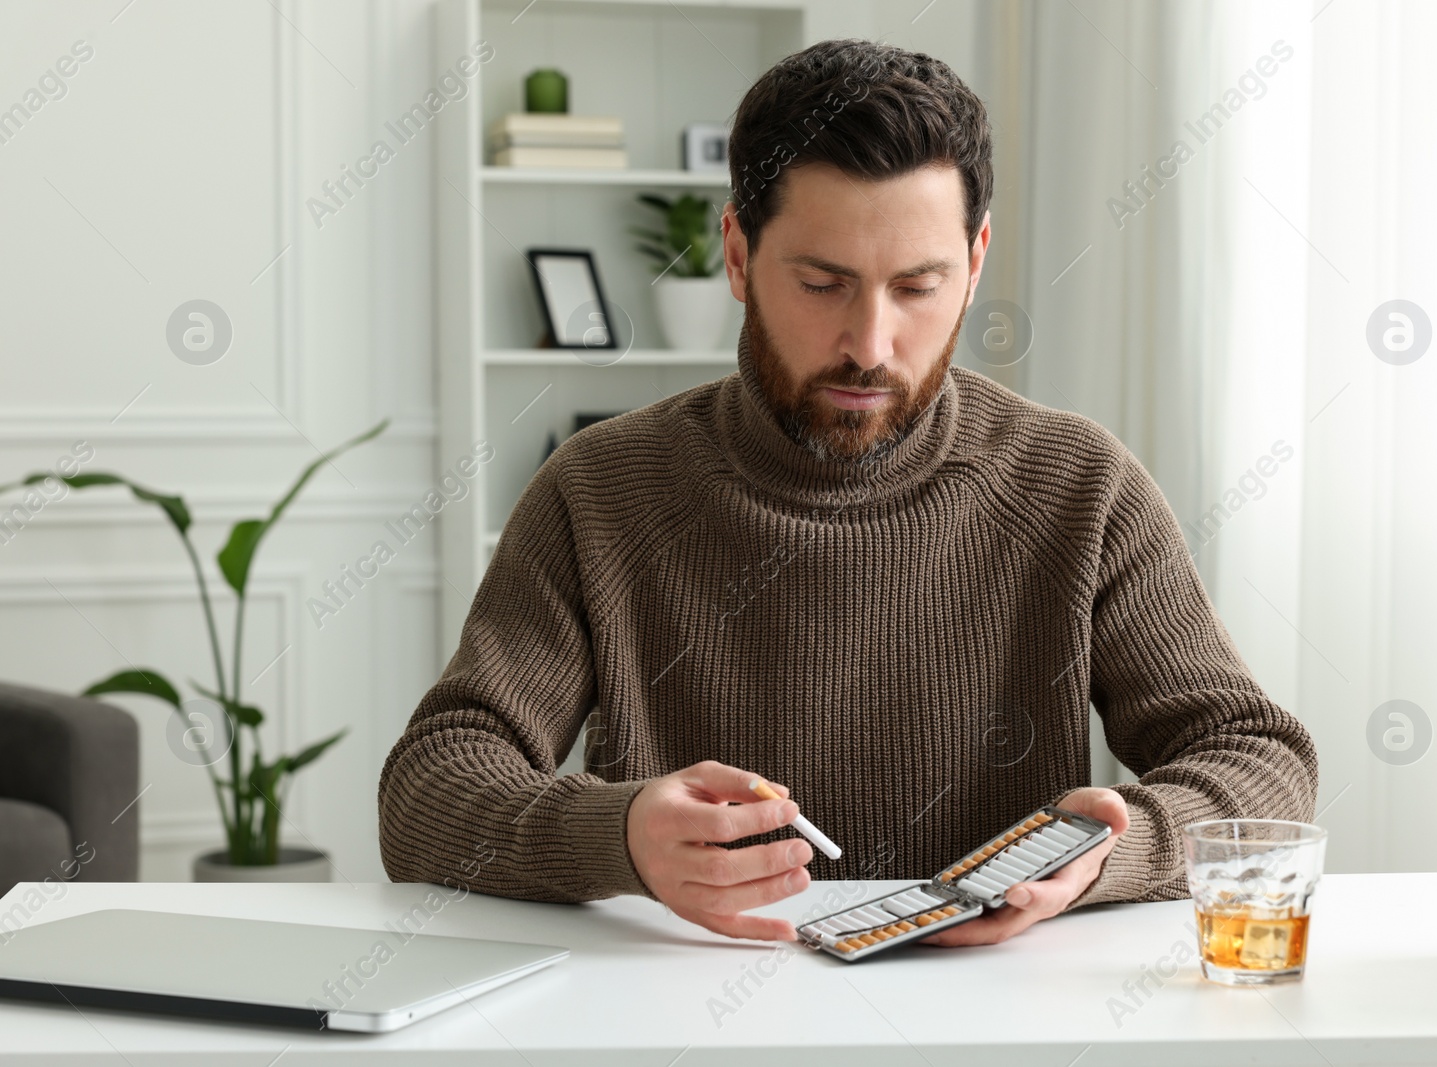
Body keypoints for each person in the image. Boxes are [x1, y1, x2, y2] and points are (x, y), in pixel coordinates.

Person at [377, 38, 1318, 947]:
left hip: (998, 1019)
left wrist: (1105, 856)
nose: (871, 342)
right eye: (824, 283)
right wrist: (618, 835)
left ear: (976, 260)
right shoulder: (598, 490)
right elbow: (428, 789)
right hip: (676, 1019)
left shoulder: (1080, 485)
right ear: (739, 258)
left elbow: (1259, 758)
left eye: (918, 285)